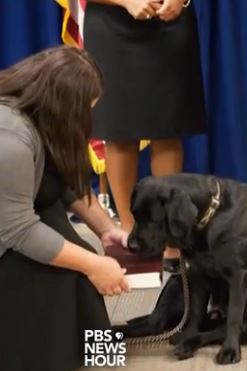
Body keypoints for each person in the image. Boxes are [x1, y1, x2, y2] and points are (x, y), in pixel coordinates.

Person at [0, 46, 130, 371]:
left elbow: (58, 181)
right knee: (71, 269)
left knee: (82, 250)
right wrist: (94, 266)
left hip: (14, 220)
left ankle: (90, 354)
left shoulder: (36, 114)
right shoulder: (10, 139)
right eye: (86, 110)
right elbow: (18, 230)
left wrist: (107, 230)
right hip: (9, 233)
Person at [84, 0, 206, 278]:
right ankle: (131, 232)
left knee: (167, 128)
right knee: (119, 130)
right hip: (111, 24)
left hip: (170, 23)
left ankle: (170, 238)